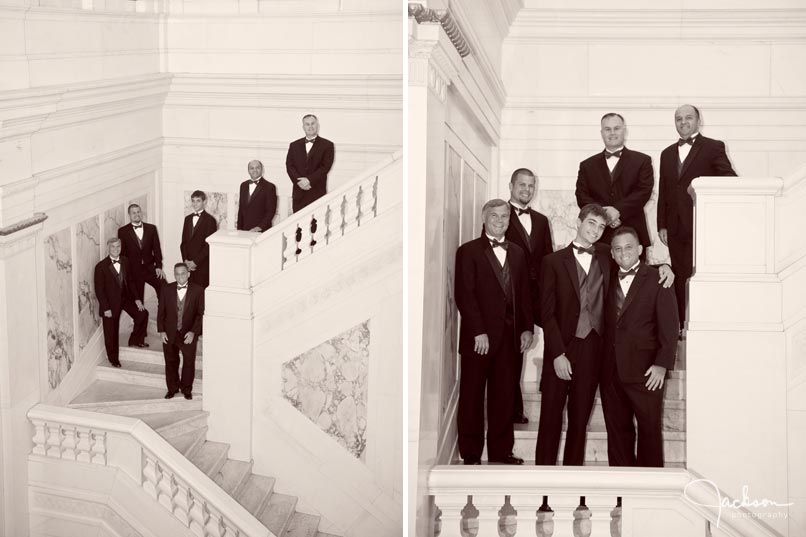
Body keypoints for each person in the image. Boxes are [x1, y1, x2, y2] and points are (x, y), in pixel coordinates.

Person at [455, 199, 533, 465]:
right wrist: (478, 331)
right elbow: (464, 295)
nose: (500, 221)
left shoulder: (519, 253)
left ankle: (501, 452)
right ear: (484, 217)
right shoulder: (468, 251)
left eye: (504, 217)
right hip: (479, 339)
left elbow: (524, 296)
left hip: (510, 338)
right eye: (494, 216)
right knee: (472, 397)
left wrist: (526, 329)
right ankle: (471, 453)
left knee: (503, 397)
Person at [535, 204, 610, 466]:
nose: (596, 231)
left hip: (593, 347)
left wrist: (667, 267)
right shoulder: (553, 261)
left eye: (601, 227)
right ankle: (542, 486)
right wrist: (557, 353)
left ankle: (572, 480)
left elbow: (634, 263)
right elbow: (546, 313)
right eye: (591, 223)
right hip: (562, 346)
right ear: (578, 222)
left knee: (580, 419)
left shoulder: (606, 256)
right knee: (551, 419)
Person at [601, 227, 679, 467]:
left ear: (640, 250)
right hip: (611, 371)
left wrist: (661, 365)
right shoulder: (604, 277)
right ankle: (621, 491)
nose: (623, 253)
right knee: (617, 433)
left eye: (628, 247)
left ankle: (650, 491)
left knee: (649, 432)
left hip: (647, 372)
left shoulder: (658, 278)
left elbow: (669, 326)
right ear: (612, 254)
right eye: (618, 249)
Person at [657, 104, 736, 326]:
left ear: (698, 121)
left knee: (703, 276)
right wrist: (662, 224)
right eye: (678, 119)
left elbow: (729, 179)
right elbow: (664, 190)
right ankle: (683, 325)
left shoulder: (713, 147)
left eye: (688, 117)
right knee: (680, 277)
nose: (683, 122)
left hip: (703, 226)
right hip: (674, 227)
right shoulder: (666, 153)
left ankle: (706, 322)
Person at [504, 168, 553, 424]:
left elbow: (547, 257)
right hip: (512, 295)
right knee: (515, 351)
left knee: (558, 329)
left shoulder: (543, 221)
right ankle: (513, 408)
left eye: (531, 186)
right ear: (511, 186)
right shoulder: (500, 215)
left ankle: (551, 382)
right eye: (522, 185)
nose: (526, 190)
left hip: (538, 292)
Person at [575, 113, 654, 256]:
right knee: (599, 278)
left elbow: (643, 192)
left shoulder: (642, 161)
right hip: (597, 236)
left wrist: (618, 211)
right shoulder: (587, 165)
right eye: (607, 129)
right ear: (601, 133)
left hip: (633, 232)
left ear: (624, 130)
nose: (612, 133)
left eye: (616, 128)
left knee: (636, 278)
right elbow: (581, 195)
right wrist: (604, 215)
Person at [93, 238, 149, 367]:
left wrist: (137, 299)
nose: (116, 249)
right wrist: (106, 308)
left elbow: (130, 281)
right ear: (108, 248)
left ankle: (135, 340)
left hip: (125, 299)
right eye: (113, 247)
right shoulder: (100, 267)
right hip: (110, 305)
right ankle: (113, 359)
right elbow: (99, 290)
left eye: (118, 246)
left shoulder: (125, 261)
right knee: (111, 332)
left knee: (143, 314)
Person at [157, 263, 204, 400]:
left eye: (183, 273)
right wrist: (162, 331)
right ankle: (172, 388)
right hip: (170, 332)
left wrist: (193, 332)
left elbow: (200, 314)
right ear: (174, 274)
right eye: (177, 274)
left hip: (188, 333)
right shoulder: (166, 289)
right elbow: (161, 312)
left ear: (188, 274)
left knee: (189, 362)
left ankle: (186, 389)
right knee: (170, 361)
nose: (180, 276)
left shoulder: (198, 290)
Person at [118, 203, 165, 309]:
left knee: (164, 287)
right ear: (129, 215)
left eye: (138, 212)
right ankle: (140, 322)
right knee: (138, 299)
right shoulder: (123, 231)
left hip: (150, 268)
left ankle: (163, 314)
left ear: (141, 213)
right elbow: (123, 254)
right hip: (134, 271)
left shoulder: (151, 228)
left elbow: (157, 249)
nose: (136, 214)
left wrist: (158, 266)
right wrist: (127, 273)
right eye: (133, 213)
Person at [285, 114, 335, 212]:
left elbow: (325, 167)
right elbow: (289, 166)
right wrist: (299, 182)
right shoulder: (294, 145)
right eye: (307, 124)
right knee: (298, 225)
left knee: (316, 224)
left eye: (313, 124)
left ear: (317, 125)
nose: (310, 126)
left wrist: (309, 180)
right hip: (299, 193)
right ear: (303, 127)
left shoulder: (327, 145)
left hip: (317, 192)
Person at [180, 190, 218, 289]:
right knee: (190, 293)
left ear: (204, 202)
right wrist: (186, 261)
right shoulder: (187, 219)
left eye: (198, 201)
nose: (195, 204)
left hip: (202, 265)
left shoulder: (210, 220)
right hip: (188, 265)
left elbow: (208, 246)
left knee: (201, 294)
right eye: (193, 201)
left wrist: (195, 262)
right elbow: (183, 243)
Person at [237, 160, 278, 232]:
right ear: (248, 170)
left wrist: (259, 227)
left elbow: (271, 211)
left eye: (257, 168)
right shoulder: (243, 185)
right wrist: (239, 229)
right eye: (252, 168)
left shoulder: (270, 187)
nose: (254, 170)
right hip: (244, 230)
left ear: (262, 169)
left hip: (262, 231)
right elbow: (241, 209)